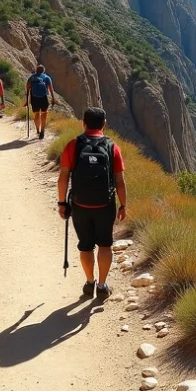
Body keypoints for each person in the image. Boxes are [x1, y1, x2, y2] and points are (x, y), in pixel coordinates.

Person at [57, 107, 127, 300]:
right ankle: (102, 286)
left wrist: (62, 202)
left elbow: (63, 177)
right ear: (104, 124)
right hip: (105, 205)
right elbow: (120, 181)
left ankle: (89, 283)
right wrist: (123, 205)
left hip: (80, 205)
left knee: (85, 246)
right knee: (105, 244)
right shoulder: (113, 147)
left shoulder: (73, 145)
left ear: (83, 123)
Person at [25, 64, 54, 140]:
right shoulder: (47, 77)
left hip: (34, 98)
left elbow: (27, 89)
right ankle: (42, 131)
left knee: (37, 114)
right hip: (44, 98)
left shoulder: (31, 78)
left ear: (36, 70)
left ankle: (38, 130)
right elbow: (51, 89)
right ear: (43, 71)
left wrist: (27, 101)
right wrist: (53, 99)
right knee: (44, 114)